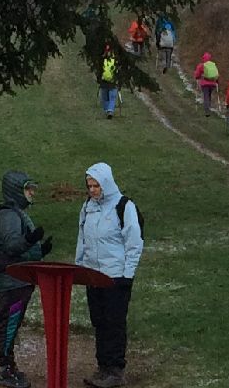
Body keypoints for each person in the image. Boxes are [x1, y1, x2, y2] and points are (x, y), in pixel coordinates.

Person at [76, 163, 144, 388]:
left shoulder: (124, 206)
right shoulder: (87, 207)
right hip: (92, 275)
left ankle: (115, 369)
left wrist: (127, 275)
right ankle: (102, 366)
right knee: (99, 321)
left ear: (106, 183)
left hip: (115, 276)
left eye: (96, 185)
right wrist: (80, 268)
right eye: (89, 186)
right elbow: (82, 239)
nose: (93, 190)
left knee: (114, 322)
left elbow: (134, 242)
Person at [0, 171, 54, 388]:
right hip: (11, 282)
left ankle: (9, 365)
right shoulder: (8, 216)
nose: (32, 193)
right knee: (8, 324)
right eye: (28, 189)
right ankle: (4, 368)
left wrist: (40, 250)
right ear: (16, 191)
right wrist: (30, 240)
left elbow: (21, 249)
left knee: (12, 323)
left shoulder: (17, 213)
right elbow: (12, 246)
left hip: (20, 280)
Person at [100, 45, 119, 119]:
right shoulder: (115, 61)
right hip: (113, 82)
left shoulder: (102, 60)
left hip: (104, 81)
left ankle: (106, 110)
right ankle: (110, 110)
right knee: (112, 98)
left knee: (104, 97)